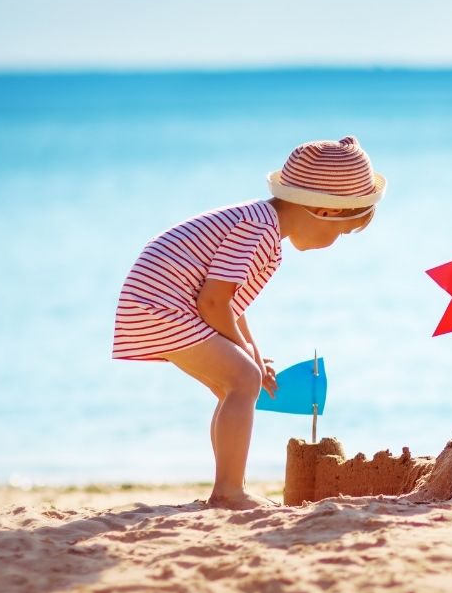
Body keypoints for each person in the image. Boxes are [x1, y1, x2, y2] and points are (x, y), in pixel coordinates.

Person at [112, 136, 384, 509]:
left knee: (236, 383)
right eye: (339, 232)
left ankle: (226, 487)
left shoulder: (260, 224)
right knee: (242, 380)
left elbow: (231, 304)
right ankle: (229, 491)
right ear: (326, 211)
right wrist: (245, 358)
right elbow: (212, 301)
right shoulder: (258, 232)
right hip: (162, 306)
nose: (334, 241)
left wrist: (252, 352)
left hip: (161, 303)